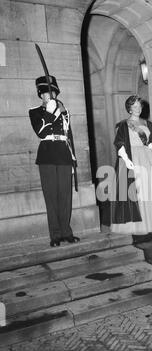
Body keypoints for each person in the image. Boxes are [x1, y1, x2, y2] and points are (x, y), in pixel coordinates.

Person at [110, 95, 152, 235]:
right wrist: (126, 159)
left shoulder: (147, 124)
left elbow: (150, 143)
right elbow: (119, 143)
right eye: (134, 106)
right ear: (129, 109)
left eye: (139, 106)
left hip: (148, 157)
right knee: (137, 191)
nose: (138, 109)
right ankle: (139, 224)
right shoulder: (123, 124)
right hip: (133, 157)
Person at [29, 75, 80, 247]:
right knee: (51, 196)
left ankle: (67, 232)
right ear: (40, 95)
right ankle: (55, 235)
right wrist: (50, 113)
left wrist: (72, 156)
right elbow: (41, 133)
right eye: (44, 93)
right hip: (47, 154)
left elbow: (68, 135)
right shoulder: (35, 112)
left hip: (64, 153)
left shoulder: (64, 110)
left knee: (65, 196)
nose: (48, 95)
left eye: (51, 92)